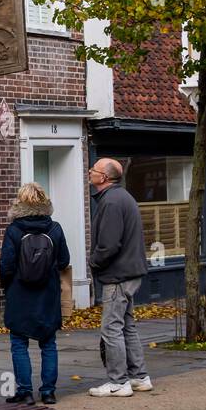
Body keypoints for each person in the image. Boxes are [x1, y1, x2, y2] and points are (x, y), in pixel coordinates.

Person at [87, 157, 154, 397]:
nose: (89, 171)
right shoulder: (123, 197)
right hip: (130, 270)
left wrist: (93, 261)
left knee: (111, 327)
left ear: (103, 177)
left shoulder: (112, 201)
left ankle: (118, 381)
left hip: (118, 274)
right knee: (127, 326)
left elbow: (108, 244)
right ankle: (139, 377)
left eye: (93, 169)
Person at [0, 182, 70, 404]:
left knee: (19, 342)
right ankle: (48, 391)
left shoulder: (13, 230)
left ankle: (25, 391)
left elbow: (6, 266)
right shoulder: (55, 228)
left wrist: (7, 287)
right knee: (48, 343)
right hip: (47, 294)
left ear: (20, 203)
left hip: (20, 293)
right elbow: (64, 261)